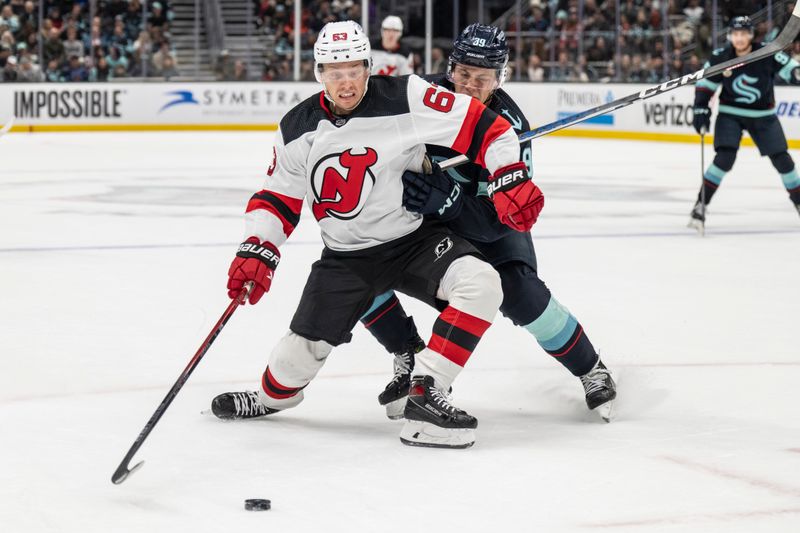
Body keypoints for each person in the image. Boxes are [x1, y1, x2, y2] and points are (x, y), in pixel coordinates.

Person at [210, 20, 544, 449]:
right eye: (335, 71)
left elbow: (487, 128)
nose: (346, 82)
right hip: (347, 257)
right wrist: (259, 246)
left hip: (414, 242)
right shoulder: (298, 127)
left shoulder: (407, 96)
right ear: (319, 73)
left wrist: (509, 174)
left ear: (369, 67)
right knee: (293, 362)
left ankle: (426, 394)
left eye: (354, 69)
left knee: (482, 283)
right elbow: (277, 197)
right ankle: (270, 398)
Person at [360, 23, 617, 422]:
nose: (469, 87)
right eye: (463, 74)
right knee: (355, 262)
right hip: (432, 215)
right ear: (450, 68)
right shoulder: (423, 96)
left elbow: (495, 226)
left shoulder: (511, 128)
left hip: (484, 219)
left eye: (482, 79)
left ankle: (591, 368)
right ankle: (408, 352)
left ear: (500, 78)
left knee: (519, 292)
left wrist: (448, 200)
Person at [691, 15, 800, 231]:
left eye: (743, 34)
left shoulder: (767, 52)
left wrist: (797, 73)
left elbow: (790, 69)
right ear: (731, 36)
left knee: (783, 161)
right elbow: (705, 84)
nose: (739, 39)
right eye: (736, 34)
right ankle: (700, 205)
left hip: (763, 116)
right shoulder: (720, 56)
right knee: (724, 159)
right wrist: (701, 108)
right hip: (730, 114)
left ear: (750, 35)